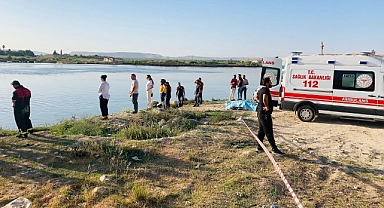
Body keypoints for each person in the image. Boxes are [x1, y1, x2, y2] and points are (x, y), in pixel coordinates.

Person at [255, 77, 285, 155]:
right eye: (270, 82)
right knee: (269, 131)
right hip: (265, 114)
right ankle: (274, 149)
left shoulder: (260, 89)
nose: (271, 83)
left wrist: (260, 102)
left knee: (261, 131)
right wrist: (267, 107)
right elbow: (265, 97)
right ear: (267, 83)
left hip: (260, 112)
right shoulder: (266, 90)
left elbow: (255, 96)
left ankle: (259, 147)